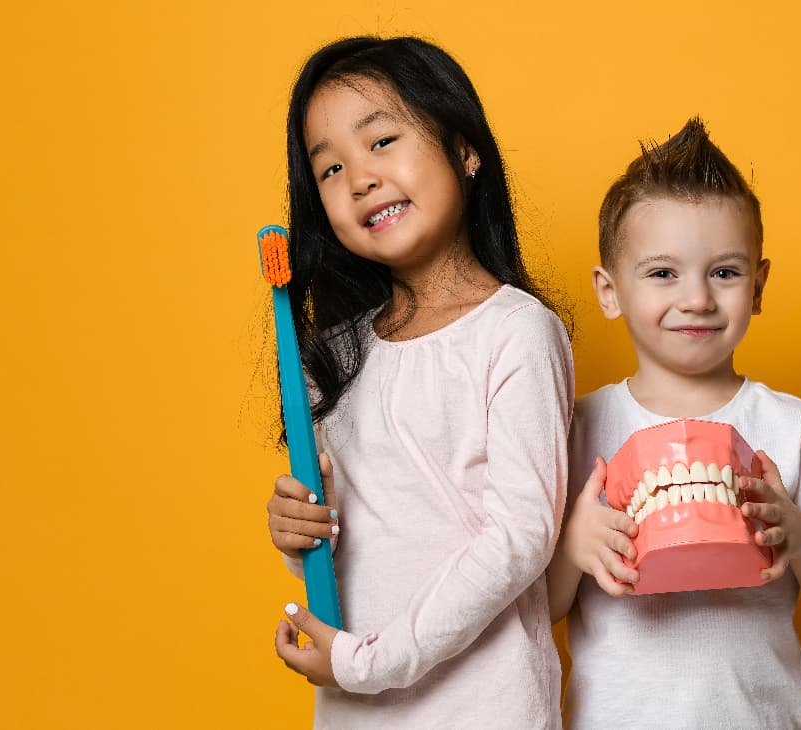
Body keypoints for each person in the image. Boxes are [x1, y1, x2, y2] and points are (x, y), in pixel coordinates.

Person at [263, 35, 572, 729]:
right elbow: (360, 542)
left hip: (484, 706)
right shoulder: (333, 358)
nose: (359, 179)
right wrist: (302, 532)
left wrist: (375, 661)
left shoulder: (515, 332)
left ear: (466, 150)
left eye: (381, 142)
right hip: (353, 706)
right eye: (330, 168)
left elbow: (519, 539)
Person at [547, 117, 801, 729]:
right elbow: (537, 612)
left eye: (723, 272)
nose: (696, 297)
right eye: (663, 273)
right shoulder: (576, 427)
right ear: (609, 291)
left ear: (759, 285)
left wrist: (799, 534)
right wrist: (573, 547)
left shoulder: (793, 426)